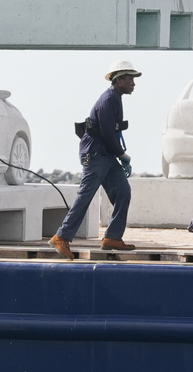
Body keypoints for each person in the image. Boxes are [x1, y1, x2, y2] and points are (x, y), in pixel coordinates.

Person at [49, 60, 140, 260]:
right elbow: (107, 134)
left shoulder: (116, 98)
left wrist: (118, 155)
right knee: (86, 195)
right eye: (130, 79)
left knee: (123, 191)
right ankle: (61, 237)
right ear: (119, 80)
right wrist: (123, 155)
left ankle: (113, 237)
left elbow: (112, 132)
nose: (133, 83)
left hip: (106, 155)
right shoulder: (108, 100)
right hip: (96, 155)